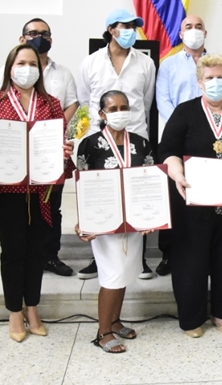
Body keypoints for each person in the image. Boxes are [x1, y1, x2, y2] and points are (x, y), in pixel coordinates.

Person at [0, 43, 74, 342]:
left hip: (42, 191)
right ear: (10, 67)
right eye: (21, 63)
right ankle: (14, 311)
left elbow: (60, 143)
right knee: (13, 251)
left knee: (37, 252)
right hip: (7, 191)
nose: (27, 68)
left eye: (33, 63)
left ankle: (33, 307)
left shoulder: (52, 104)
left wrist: (64, 151)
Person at [159, 55, 222, 338]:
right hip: (195, 204)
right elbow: (167, 150)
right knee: (191, 262)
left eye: (220, 78)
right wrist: (176, 172)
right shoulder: (185, 112)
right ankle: (192, 318)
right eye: (210, 78)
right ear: (199, 82)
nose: (215, 83)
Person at [0, 18, 78, 278]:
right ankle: (22, 256)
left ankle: (49, 255)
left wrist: (54, 126)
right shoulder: (5, 72)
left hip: (49, 152)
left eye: (45, 33)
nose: (39, 37)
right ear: (21, 39)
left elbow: (73, 102)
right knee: (19, 214)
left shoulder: (62, 73)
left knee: (52, 208)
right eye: (33, 33)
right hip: (15, 155)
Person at [77, 9, 156, 280]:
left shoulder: (146, 63)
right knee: (101, 193)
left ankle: (140, 258)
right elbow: (87, 100)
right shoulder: (90, 62)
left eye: (135, 27)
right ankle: (97, 258)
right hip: (100, 142)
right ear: (111, 29)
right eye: (126, 26)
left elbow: (145, 103)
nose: (131, 32)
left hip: (135, 138)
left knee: (136, 194)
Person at [75, 90, 154, 353]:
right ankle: (103, 332)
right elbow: (83, 185)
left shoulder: (141, 143)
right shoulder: (90, 144)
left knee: (125, 273)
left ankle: (116, 321)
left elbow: (149, 180)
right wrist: (84, 221)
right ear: (102, 114)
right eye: (113, 108)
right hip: (105, 223)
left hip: (133, 222)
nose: (120, 112)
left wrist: (151, 215)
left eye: (124, 107)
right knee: (111, 275)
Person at [154, 14, 208, 276]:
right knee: (173, 198)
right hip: (176, 138)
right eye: (189, 27)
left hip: (208, 140)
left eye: (199, 27)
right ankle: (168, 255)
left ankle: (202, 252)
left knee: (202, 197)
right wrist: (182, 126)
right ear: (180, 33)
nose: (194, 30)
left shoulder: (215, 63)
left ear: (205, 32)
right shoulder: (168, 64)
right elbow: (162, 99)